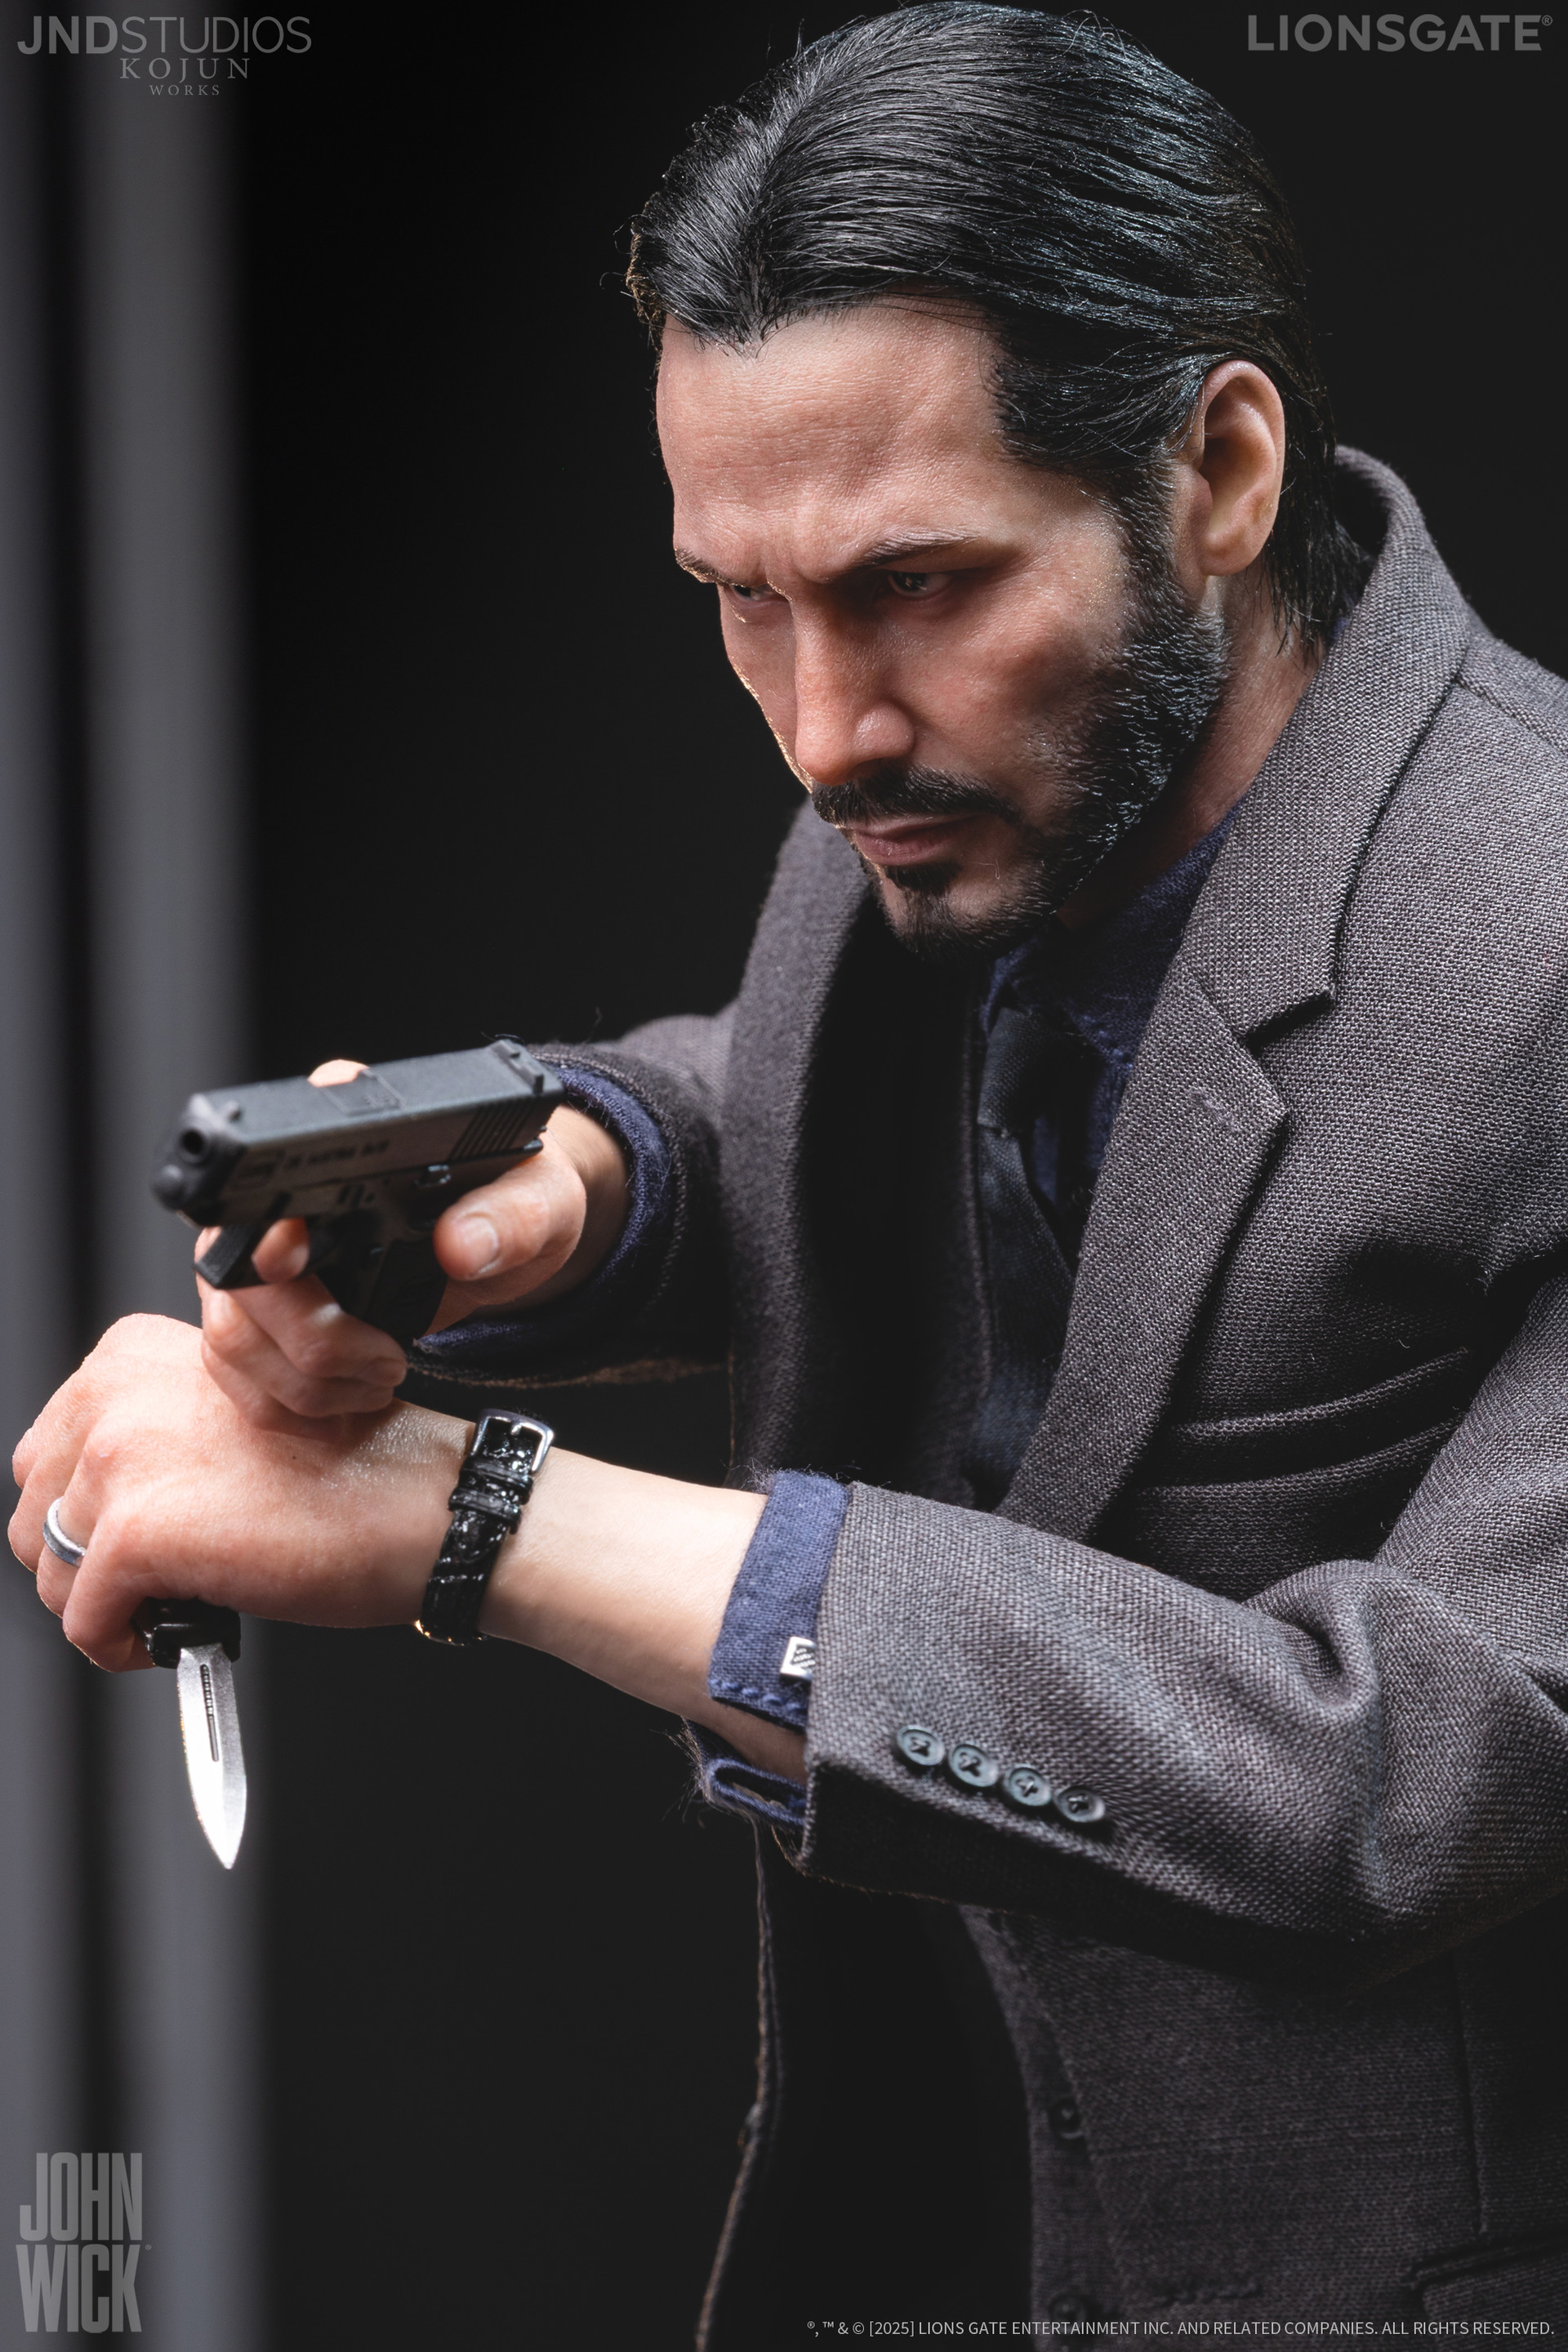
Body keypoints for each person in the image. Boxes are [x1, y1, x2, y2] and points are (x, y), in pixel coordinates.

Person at [14, 6, 1568, 2339]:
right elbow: (820, 1116)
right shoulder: (983, 791)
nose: (827, 730)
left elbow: (1408, 1772)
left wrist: (478, 1520)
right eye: (744, 597)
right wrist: (546, 1188)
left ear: (1220, 470)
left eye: (919, 583)